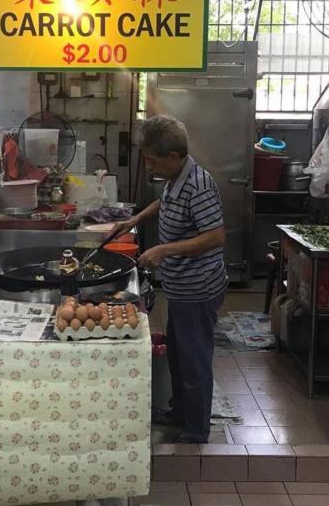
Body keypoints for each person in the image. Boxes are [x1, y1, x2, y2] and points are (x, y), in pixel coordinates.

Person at [117, 115, 227, 443]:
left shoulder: (198, 185)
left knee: (194, 359)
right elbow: (164, 202)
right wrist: (137, 217)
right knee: (179, 353)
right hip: (181, 287)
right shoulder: (176, 179)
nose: (149, 164)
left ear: (174, 157)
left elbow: (215, 236)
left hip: (199, 288)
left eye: (152, 159)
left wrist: (163, 250)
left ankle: (196, 430)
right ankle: (180, 411)